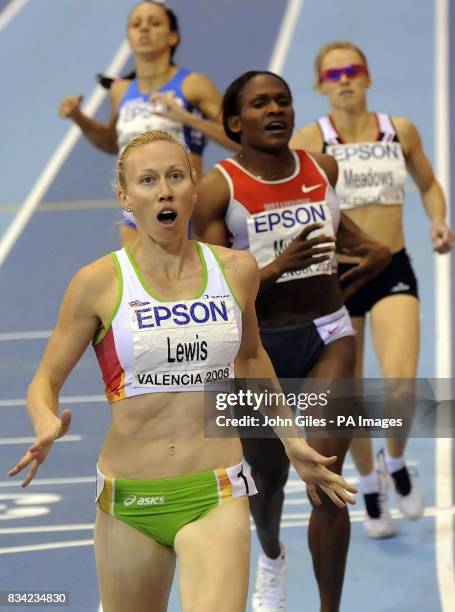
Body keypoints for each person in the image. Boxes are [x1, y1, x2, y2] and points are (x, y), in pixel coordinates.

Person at [8, 130, 357, 612]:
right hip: (129, 500)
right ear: (125, 197)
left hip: (214, 489)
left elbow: (251, 357)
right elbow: (44, 380)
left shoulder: (235, 270)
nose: (164, 190)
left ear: (194, 186)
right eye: (148, 180)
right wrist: (45, 420)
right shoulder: (97, 283)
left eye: (175, 176)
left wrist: (292, 440)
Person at [193, 71, 390, 612]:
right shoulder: (218, 188)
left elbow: (336, 230)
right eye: (260, 104)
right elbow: (213, 288)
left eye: (283, 100)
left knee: (325, 479)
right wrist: (276, 267)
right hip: (254, 348)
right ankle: (273, 555)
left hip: (328, 334)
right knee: (267, 478)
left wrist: (373, 252)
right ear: (235, 123)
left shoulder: (321, 167)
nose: (276, 109)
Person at [291, 40, 454, 539]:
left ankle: (396, 460)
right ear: (320, 85)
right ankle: (369, 483)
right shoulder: (309, 141)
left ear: (367, 76)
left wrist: (439, 220)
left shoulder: (398, 130)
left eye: (353, 70)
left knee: (401, 389)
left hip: (392, 269)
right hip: (335, 279)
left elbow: (427, 183)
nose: (344, 79)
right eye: (333, 73)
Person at [58, 1, 236, 246]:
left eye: (154, 23)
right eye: (136, 24)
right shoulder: (120, 90)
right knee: (141, 284)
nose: (144, 29)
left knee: (198, 282)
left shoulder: (193, 85)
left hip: (189, 211)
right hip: (137, 212)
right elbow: (112, 144)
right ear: (129, 38)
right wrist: (79, 118)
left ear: (173, 37)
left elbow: (239, 140)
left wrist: (188, 119)